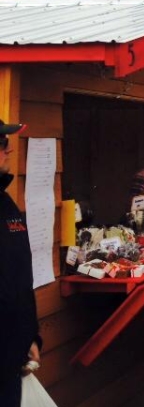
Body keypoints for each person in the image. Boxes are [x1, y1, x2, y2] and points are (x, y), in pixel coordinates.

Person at [0, 119, 42, 407]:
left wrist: (29, 337)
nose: (10, 151)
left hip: (11, 357)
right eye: (4, 145)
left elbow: (17, 281)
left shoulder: (6, 204)